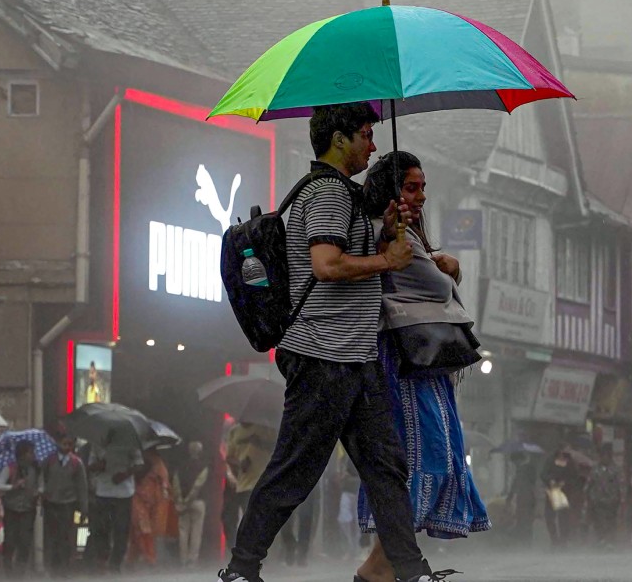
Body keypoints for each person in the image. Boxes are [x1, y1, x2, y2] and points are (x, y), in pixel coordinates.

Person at [218, 102, 438, 582]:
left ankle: (411, 570)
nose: (373, 145)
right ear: (338, 140)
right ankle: (240, 567)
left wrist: (387, 241)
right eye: (365, 134)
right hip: (322, 354)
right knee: (295, 469)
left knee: (386, 467)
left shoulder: (344, 196)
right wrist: (388, 262)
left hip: (353, 355)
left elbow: (351, 264)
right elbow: (326, 265)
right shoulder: (327, 194)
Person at [354, 151, 489, 582]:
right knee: (421, 456)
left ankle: (387, 568)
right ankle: (381, 568)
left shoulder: (405, 236)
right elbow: (435, 284)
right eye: (412, 187)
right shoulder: (390, 236)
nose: (421, 196)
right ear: (390, 191)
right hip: (405, 364)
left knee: (433, 455)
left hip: (420, 363)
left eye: (424, 187)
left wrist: (440, 263)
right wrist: (449, 266)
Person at [86, 430, 143, 574]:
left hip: (124, 492)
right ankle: (102, 559)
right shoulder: (97, 445)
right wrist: (100, 465)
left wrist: (125, 474)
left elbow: (139, 464)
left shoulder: (130, 444)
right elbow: (90, 465)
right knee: (102, 528)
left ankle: (116, 562)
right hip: (103, 491)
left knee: (121, 529)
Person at [41, 433, 87, 576]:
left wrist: (83, 507)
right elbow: (42, 478)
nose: (66, 447)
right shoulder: (49, 461)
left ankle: (64, 567)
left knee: (66, 536)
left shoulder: (76, 463)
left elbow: (82, 486)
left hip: (68, 503)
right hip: (51, 502)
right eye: (64, 444)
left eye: (69, 444)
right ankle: (53, 567)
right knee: (52, 536)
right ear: (58, 443)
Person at [0, 440, 40, 577]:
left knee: (25, 542)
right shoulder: (10, 468)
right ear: (23, 454)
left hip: (28, 509)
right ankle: (9, 572)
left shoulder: (36, 469)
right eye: (30, 452)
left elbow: (41, 485)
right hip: (12, 509)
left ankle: (20, 574)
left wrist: (38, 492)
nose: (33, 455)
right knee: (10, 541)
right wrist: (13, 486)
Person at [127, 448, 171, 568]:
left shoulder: (157, 463)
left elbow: (164, 482)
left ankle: (137, 559)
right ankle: (148, 558)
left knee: (143, 531)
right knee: (142, 529)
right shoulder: (136, 460)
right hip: (139, 499)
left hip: (152, 502)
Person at [173, 441, 209, 568]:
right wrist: (189, 499)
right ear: (200, 452)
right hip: (198, 502)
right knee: (196, 532)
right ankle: (192, 561)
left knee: (183, 531)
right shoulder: (203, 466)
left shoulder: (181, 466)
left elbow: (175, 484)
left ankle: (182, 560)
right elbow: (198, 485)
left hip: (182, 502)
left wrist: (181, 501)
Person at [585, 445, 622, 548]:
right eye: (602, 456)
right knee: (599, 521)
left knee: (611, 521)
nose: (604, 458)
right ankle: (601, 540)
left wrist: (621, 499)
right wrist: (588, 497)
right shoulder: (595, 469)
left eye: (606, 456)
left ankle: (610, 542)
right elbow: (589, 483)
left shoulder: (616, 469)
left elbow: (621, 484)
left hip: (612, 500)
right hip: (597, 499)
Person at [541, 450, 577, 550]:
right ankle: (554, 540)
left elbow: (574, 477)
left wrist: (565, 483)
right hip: (552, 492)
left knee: (563, 518)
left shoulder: (570, 462)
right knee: (549, 517)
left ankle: (563, 541)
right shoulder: (550, 460)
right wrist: (550, 480)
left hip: (564, 493)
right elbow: (543, 474)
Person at [505, 452, 537, 545]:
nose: (514, 464)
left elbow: (516, 484)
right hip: (531, 497)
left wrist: (509, 497)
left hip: (524, 498)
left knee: (522, 520)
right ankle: (528, 541)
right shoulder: (531, 468)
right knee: (528, 521)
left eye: (514, 462)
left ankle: (523, 541)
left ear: (518, 460)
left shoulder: (522, 470)